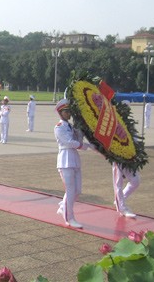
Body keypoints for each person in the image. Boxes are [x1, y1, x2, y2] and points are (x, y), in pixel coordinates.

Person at [54, 98, 94, 229]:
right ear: (60, 113)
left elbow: (77, 139)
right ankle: (69, 218)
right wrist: (84, 146)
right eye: (66, 111)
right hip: (65, 160)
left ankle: (63, 207)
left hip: (74, 160)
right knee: (70, 190)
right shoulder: (59, 127)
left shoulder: (71, 126)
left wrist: (80, 130)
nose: (68, 113)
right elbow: (69, 142)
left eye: (69, 111)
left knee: (77, 190)